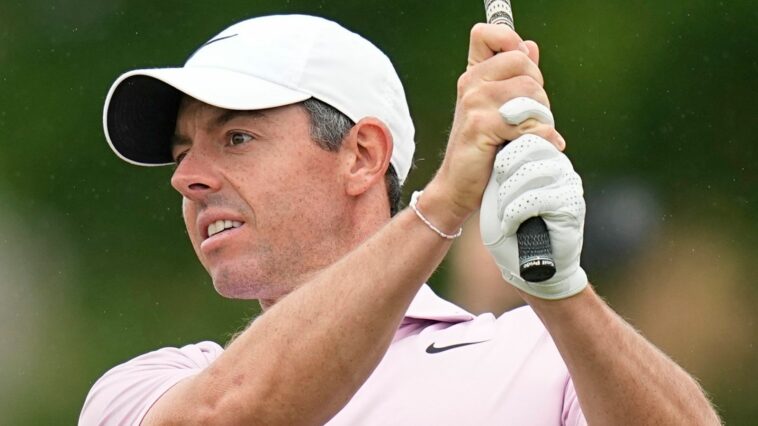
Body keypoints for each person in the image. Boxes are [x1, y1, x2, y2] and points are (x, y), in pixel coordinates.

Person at [80, 14, 720, 425]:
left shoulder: (538, 357)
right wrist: (443, 202)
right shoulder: (148, 389)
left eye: (236, 138)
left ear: (361, 156)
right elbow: (234, 413)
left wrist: (562, 291)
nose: (186, 177)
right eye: (182, 151)